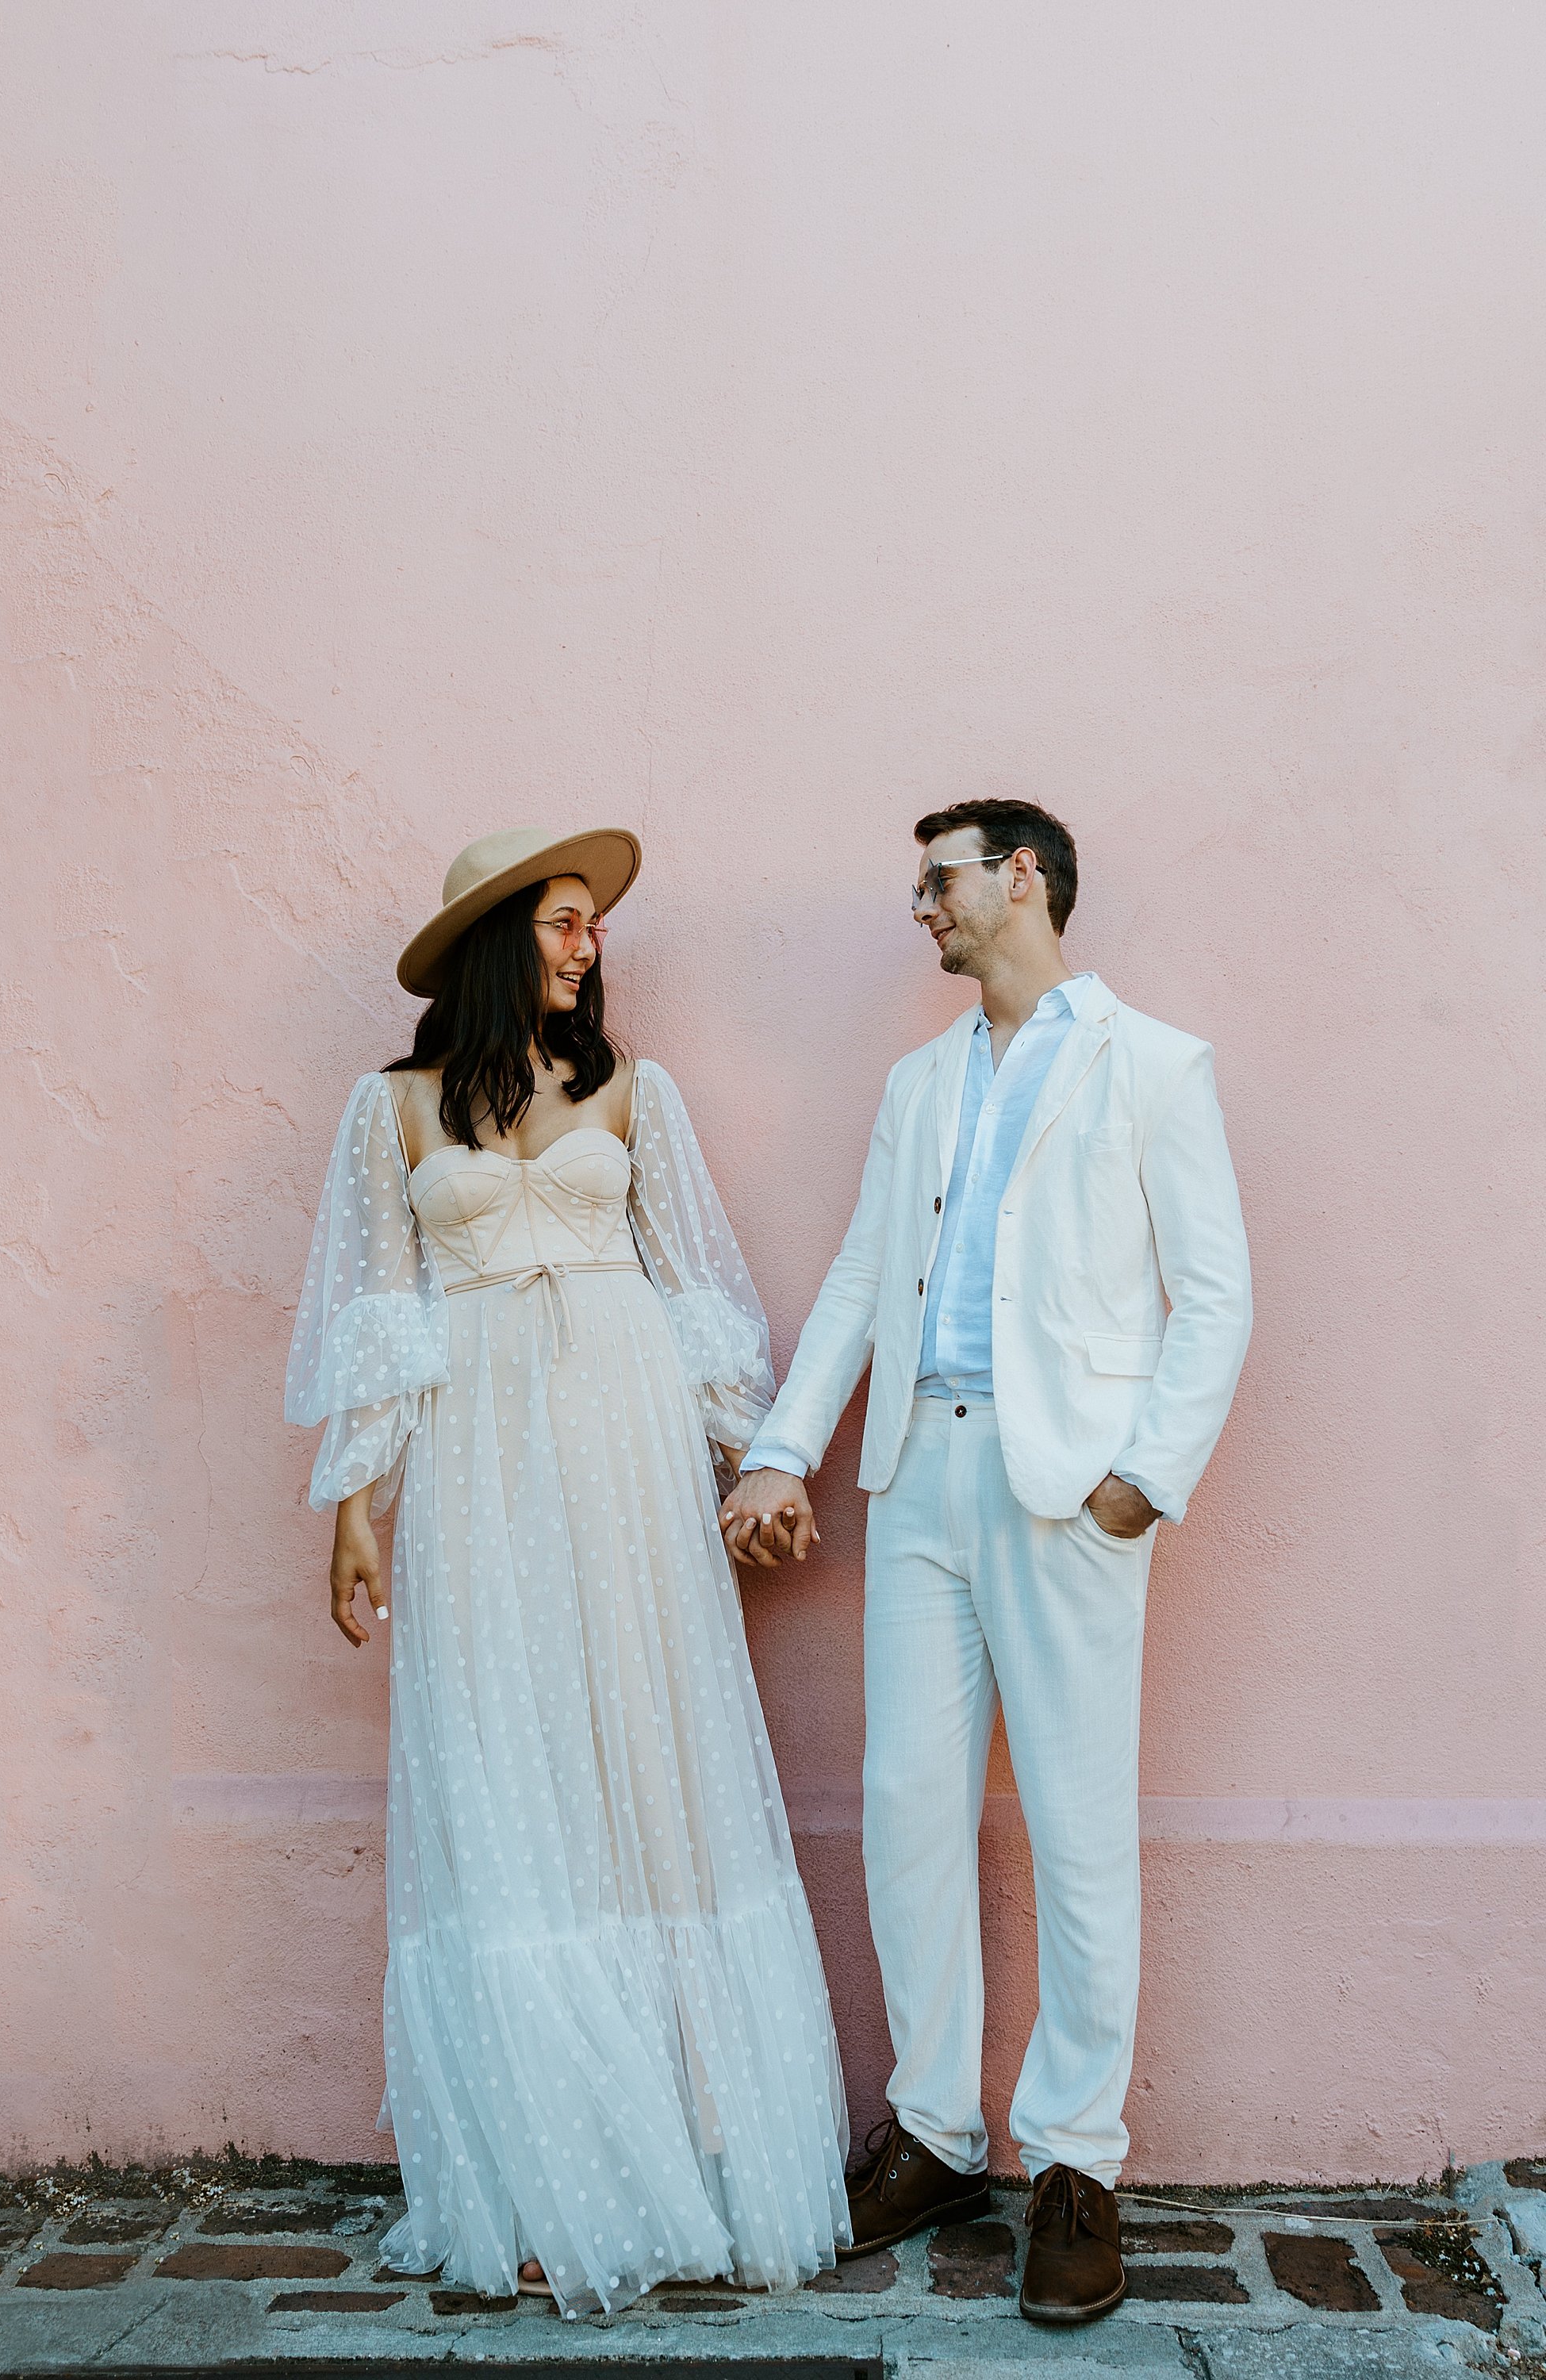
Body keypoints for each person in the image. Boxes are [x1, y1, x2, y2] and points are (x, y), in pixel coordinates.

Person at [286, 827, 849, 2318]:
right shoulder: (388, 1110)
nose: (586, 944)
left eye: (591, 924)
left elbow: (695, 1279)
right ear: (493, 940)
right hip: (474, 1459)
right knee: (509, 1767)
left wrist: (747, 1458)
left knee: (647, 1764)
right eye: (558, 920)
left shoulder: (633, 1092)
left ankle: (701, 2154)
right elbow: (377, 1315)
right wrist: (356, 1503)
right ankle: (546, 2175)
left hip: (623, 1437)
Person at [719, 799, 1251, 2326]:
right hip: (921, 1481)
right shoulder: (918, 1081)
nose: (921, 907)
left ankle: (1078, 2159)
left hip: (1066, 1489)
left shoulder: (1154, 1067)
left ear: (1022, 881)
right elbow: (866, 1276)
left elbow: (1214, 1297)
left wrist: (1142, 1482)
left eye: (939, 881)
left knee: (1082, 1826)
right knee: (908, 1810)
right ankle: (944, 2131)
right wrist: (782, 1445)